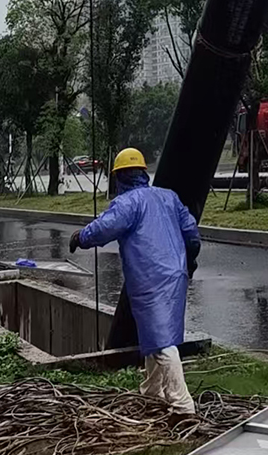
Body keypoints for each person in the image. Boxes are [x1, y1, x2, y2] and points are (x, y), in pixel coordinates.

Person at [69, 147, 201, 413]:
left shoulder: (128, 203)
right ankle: (152, 390)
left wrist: (81, 237)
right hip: (174, 274)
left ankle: (182, 403)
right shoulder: (168, 197)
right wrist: (190, 259)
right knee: (154, 333)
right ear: (143, 172)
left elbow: (105, 227)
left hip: (149, 277)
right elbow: (191, 233)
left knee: (163, 341)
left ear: (120, 177)